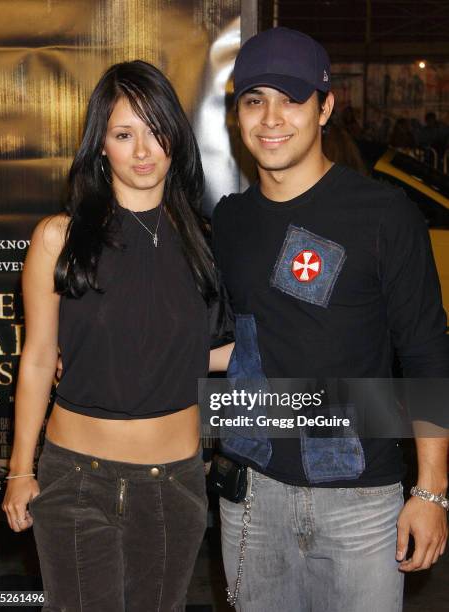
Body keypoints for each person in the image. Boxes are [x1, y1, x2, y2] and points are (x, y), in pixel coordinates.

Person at [211, 28, 449, 612]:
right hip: (252, 497)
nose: (272, 118)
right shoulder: (229, 221)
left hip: (363, 502)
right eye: (254, 99)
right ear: (236, 113)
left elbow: (425, 355)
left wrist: (433, 490)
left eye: (291, 99)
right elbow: (222, 346)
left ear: (326, 106)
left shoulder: (382, 215)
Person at [2, 60, 218, 612]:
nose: (142, 150)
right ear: (101, 144)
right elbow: (36, 360)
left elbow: (214, 352)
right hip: (75, 481)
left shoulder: (207, 241)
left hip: (175, 484)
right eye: (124, 134)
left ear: (176, 136)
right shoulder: (58, 238)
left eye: (155, 131)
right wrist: (21, 470)